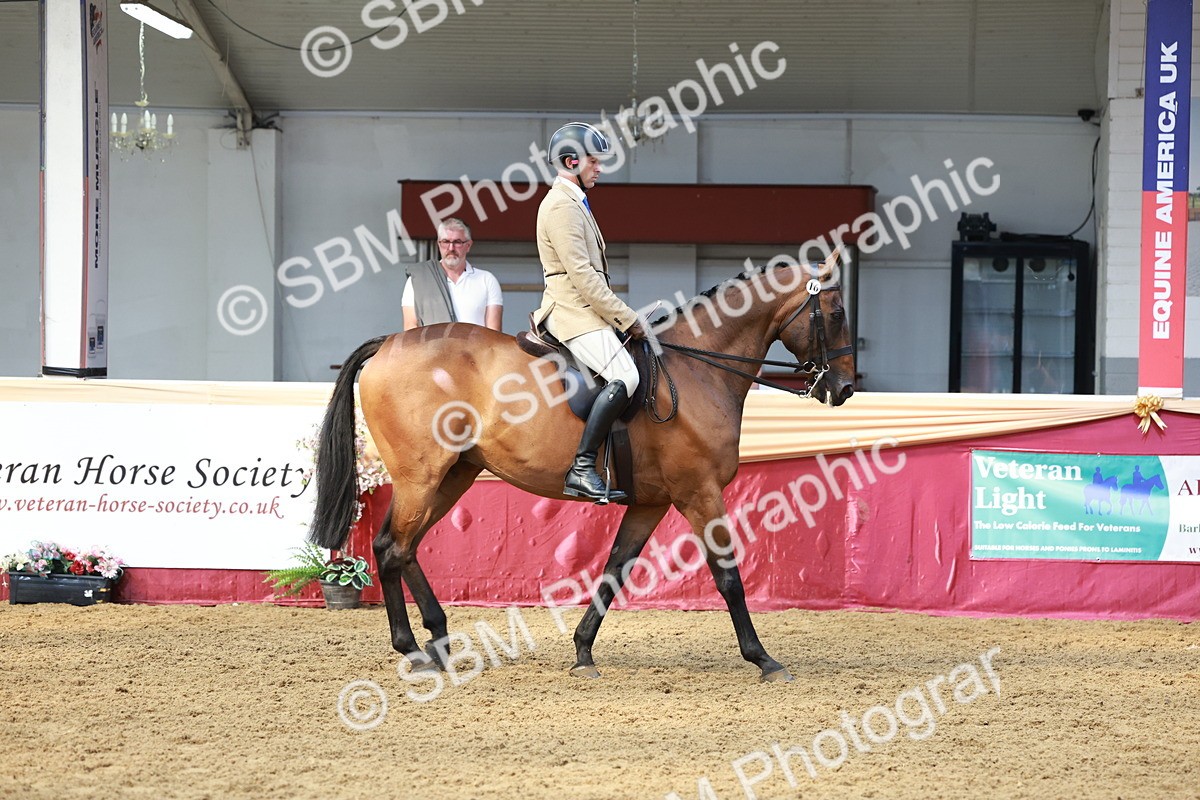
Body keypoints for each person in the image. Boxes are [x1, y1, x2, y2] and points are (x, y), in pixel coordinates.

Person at [532, 122, 646, 504]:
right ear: (571, 161)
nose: (599, 168)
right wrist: (627, 318)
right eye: (593, 161)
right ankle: (582, 467)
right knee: (625, 376)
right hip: (571, 310)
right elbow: (583, 277)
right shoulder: (561, 206)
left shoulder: (575, 202)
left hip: (585, 309)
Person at [402, 218, 503, 331]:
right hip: (432, 348)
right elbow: (410, 329)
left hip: (476, 348)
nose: (451, 248)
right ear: (439, 244)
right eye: (446, 242)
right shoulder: (417, 280)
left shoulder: (487, 280)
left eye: (457, 242)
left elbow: (494, 333)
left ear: (468, 245)